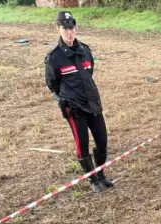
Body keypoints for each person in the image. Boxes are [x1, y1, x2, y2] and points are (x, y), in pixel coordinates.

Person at [45, 11, 114, 194]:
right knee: (82, 144)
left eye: (72, 28)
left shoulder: (85, 50)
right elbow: (52, 85)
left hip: (92, 103)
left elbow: (89, 73)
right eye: (65, 29)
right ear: (58, 29)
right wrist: (65, 101)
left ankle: (100, 174)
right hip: (74, 108)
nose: (69, 32)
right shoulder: (54, 57)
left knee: (102, 141)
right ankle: (92, 180)